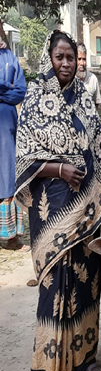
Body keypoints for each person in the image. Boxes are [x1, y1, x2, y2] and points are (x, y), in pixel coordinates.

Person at [15, 31, 101, 371]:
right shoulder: (35, 97)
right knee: (58, 282)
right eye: (60, 57)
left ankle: (86, 359)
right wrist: (59, 169)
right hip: (53, 210)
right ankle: (53, 365)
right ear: (50, 57)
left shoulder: (83, 98)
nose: (65, 64)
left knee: (87, 280)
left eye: (71, 58)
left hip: (88, 211)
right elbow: (24, 157)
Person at [0, 36, 26, 249]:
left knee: (8, 172)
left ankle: (10, 236)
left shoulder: (9, 57)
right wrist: (3, 86)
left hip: (7, 123)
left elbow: (20, 91)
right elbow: (9, 89)